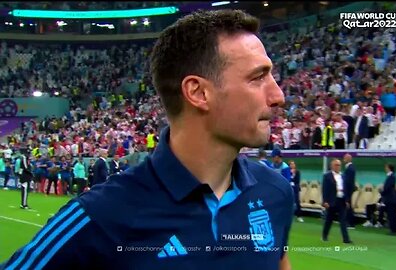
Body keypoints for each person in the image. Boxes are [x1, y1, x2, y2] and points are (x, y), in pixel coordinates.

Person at [1, 10, 293, 269]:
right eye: (258, 78)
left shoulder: (275, 192)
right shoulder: (101, 215)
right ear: (198, 92)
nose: (278, 96)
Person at [322, 159, 353, 244]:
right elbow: (325, 189)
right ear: (332, 166)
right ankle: (324, 236)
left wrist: (347, 200)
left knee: (343, 220)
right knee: (329, 220)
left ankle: (346, 239)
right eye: (336, 165)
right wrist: (325, 201)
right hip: (332, 201)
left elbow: (346, 189)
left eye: (339, 165)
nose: (338, 167)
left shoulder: (343, 176)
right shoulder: (327, 176)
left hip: (341, 200)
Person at [381, 163, 396, 235]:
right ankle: (392, 229)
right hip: (389, 198)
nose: (385, 169)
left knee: (392, 215)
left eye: (386, 167)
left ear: (389, 168)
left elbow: (387, 187)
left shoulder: (392, 176)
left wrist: (382, 192)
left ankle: (394, 230)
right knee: (390, 215)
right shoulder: (390, 176)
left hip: (391, 199)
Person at [342, 154, 356, 228]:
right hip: (347, 189)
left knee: (348, 206)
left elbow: (349, 181)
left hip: (348, 190)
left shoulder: (351, 168)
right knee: (347, 206)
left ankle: (350, 223)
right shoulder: (349, 168)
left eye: (344, 158)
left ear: (348, 159)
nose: (343, 159)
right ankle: (348, 221)